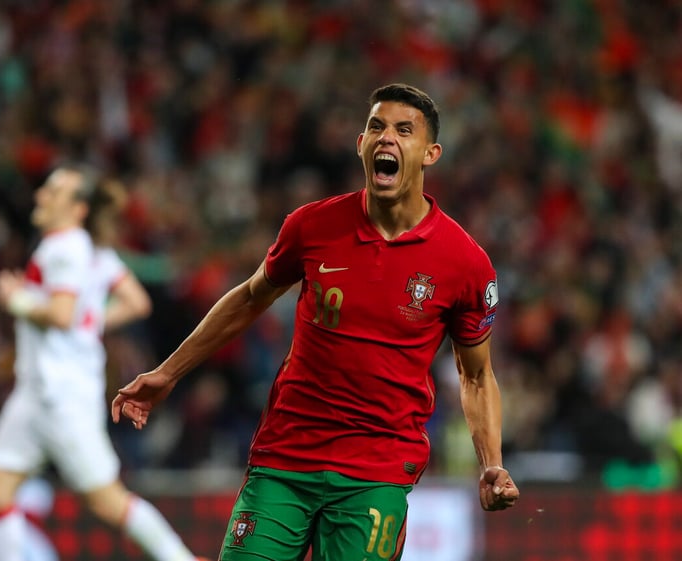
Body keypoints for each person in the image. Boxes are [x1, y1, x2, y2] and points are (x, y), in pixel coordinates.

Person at [112, 83, 520, 561]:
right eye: (376, 127)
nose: (386, 138)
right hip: (286, 457)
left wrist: (491, 463)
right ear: (361, 144)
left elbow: (475, 375)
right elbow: (248, 299)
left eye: (403, 130)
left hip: (375, 473)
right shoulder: (311, 226)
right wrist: (167, 372)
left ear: (430, 153)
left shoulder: (464, 263)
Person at [0, 164, 208, 561]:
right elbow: (136, 302)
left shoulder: (63, 249)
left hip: (61, 398)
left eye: (53, 193)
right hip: (37, 393)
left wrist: (16, 299)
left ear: (78, 208)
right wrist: (90, 319)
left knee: (108, 502)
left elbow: (62, 314)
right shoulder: (92, 251)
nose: (41, 197)